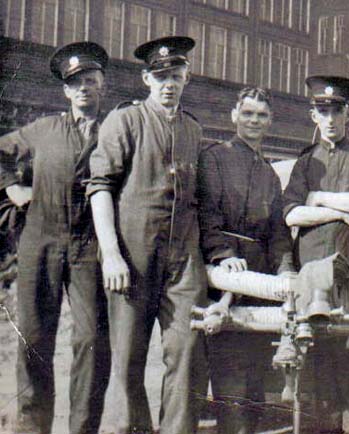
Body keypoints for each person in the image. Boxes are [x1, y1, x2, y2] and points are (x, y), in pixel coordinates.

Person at [87, 36, 207, 434]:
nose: (168, 83)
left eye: (176, 74)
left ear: (187, 77)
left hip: (182, 261)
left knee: (187, 352)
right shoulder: (125, 120)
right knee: (127, 360)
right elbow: (100, 186)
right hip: (133, 257)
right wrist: (112, 253)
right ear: (146, 79)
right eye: (160, 76)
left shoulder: (192, 128)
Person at [0, 42, 111, 434]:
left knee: (91, 340)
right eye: (75, 82)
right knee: (33, 337)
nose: (84, 88)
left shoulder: (114, 132)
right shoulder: (44, 129)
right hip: (41, 239)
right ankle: (32, 426)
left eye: (91, 81)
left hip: (89, 245)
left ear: (103, 86)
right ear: (65, 90)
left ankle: (84, 428)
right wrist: (11, 186)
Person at [282, 75, 349, 433]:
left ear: (347, 114)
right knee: (318, 375)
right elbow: (293, 213)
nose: (330, 119)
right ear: (313, 115)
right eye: (322, 111)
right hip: (312, 278)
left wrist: (320, 199)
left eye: (336, 111)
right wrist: (345, 212)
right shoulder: (305, 162)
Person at [197, 86, 295, 434]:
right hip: (225, 275)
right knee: (231, 374)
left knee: (256, 374)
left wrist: (285, 270)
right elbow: (206, 214)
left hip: (260, 279)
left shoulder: (270, 174)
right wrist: (223, 254)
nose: (254, 121)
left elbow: (278, 232)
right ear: (234, 116)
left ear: (270, 122)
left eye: (262, 115)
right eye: (248, 113)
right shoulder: (215, 157)